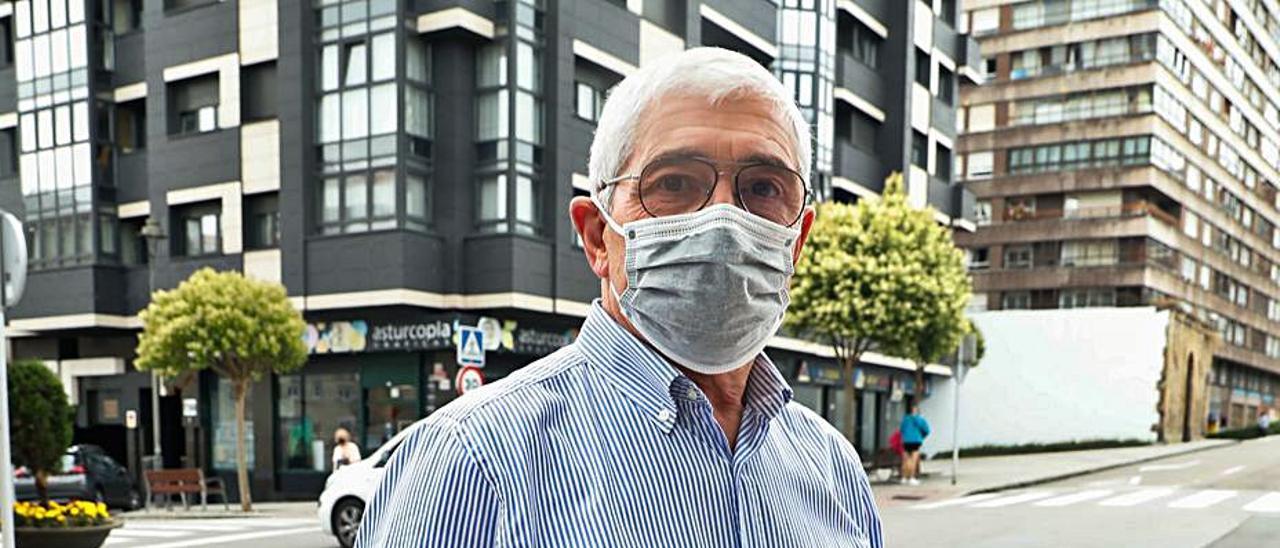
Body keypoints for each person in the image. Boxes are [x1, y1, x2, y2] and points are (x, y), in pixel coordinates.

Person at [357, 47, 882, 547]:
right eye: (673, 182)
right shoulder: (473, 461)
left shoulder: (831, 466)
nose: (723, 222)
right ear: (595, 237)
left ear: (798, 240)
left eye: (764, 188)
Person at [899, 405, 931, 486]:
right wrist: (921, 436)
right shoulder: (920, 419)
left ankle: (904, 478)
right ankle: (912, 478)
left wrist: (905, 436)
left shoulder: (906, 419)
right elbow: (926, 430)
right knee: (913, 460)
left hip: (906, 441)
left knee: (905, 460)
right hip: (916, 441)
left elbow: (901, 429)